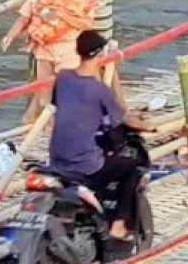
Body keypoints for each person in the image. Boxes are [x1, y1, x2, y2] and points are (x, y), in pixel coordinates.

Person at [48, 31, 154, 242]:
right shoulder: (99, 90)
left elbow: (60, 107)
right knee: (132, 168)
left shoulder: (62, 78)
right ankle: (118, 225)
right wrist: (149, 127)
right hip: (85, 165)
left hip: (56, 159)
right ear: (99, 55)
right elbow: (124, 118)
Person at [1, 0, 96, 121]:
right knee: (45, 99)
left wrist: (61, 14)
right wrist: (10, 35)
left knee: (66, 97)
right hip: (43, 50)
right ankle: (48, 132)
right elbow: (25, 15)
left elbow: (87, 23)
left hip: (69, 50)